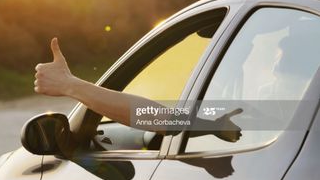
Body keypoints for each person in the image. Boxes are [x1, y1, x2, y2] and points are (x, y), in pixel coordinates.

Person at [34, 37, 241, 142]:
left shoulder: (263, 113)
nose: (276, 52)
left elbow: (162, 120)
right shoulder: (266, 104)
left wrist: (69, 85)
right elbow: (164, 120)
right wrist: (215, 126)